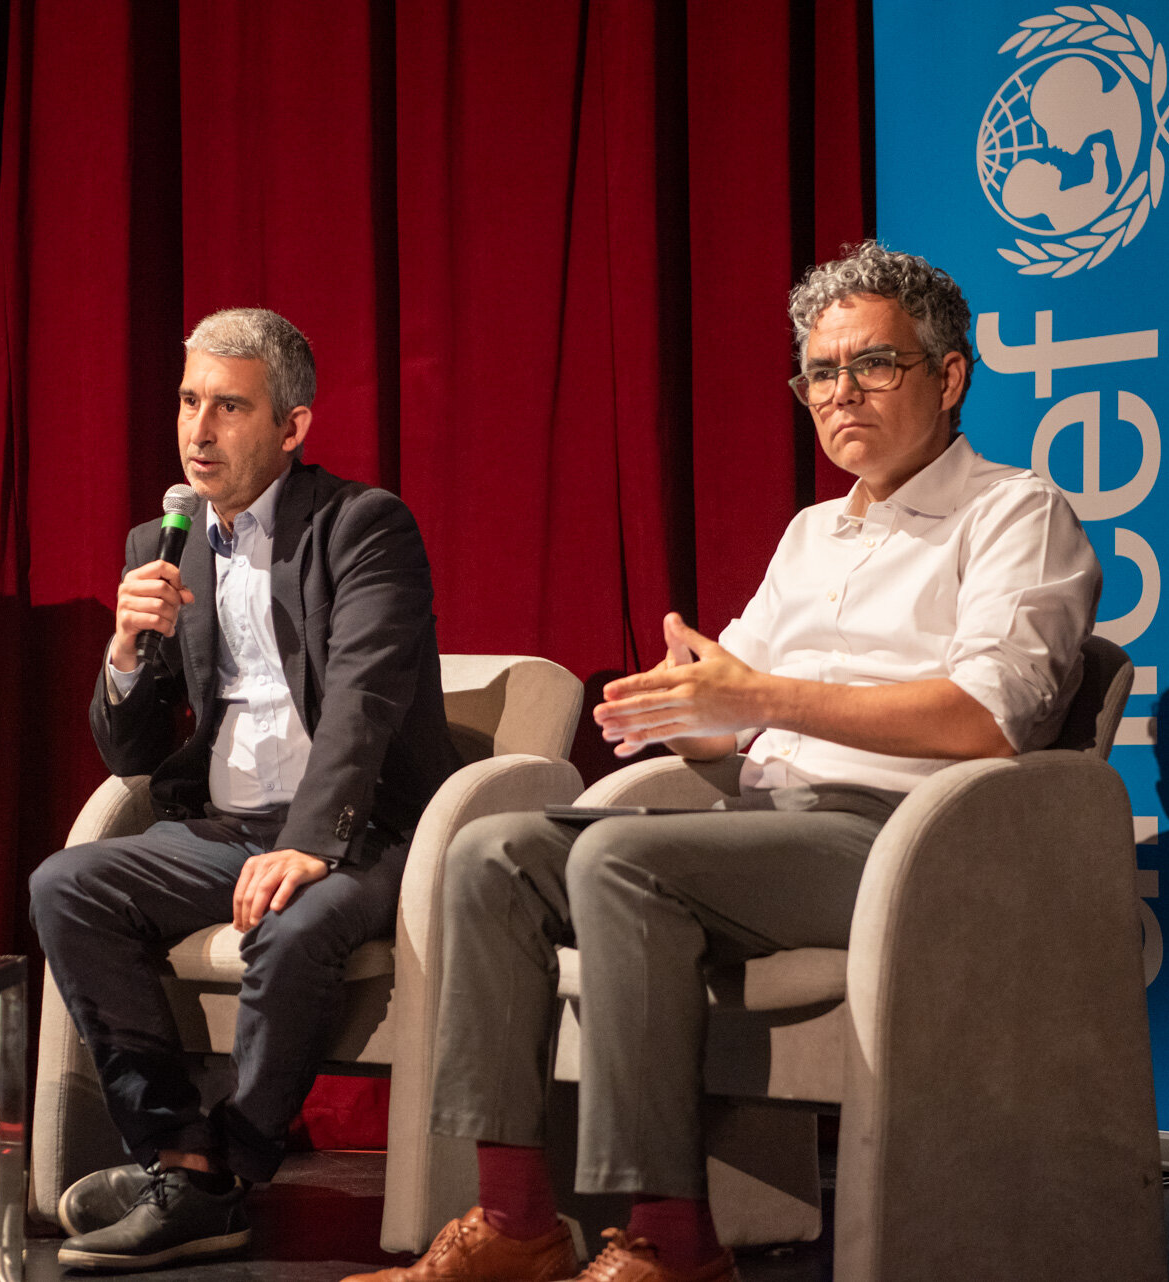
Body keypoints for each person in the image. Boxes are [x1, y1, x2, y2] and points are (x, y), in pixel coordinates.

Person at [346, 243, 1101, 1282]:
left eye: (873, 364)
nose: (840, 394)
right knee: (493, 853)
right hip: (765, 822)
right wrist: (681, 708)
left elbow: (991, 717)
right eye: (820, 373)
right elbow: (731, 709)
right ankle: (517, 1220)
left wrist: (758, 699)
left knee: (619, 862)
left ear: (949, 376)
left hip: (907, 840)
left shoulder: (1015, 512)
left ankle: (672, 1243)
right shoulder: (813, 534)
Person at [30, 307, 463, 1271]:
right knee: (66, 885)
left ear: (292, 426)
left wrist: (310, 842)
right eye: (189, 401)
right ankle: (176, 1153)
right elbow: (131, 753)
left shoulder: (363, 526)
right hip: (223, 826)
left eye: (228, 406)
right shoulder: (164, 540)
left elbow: (363, 700)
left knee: (294, 927)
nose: (199, 429)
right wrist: (124, 650)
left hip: (365, 828)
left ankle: (226, 1170)